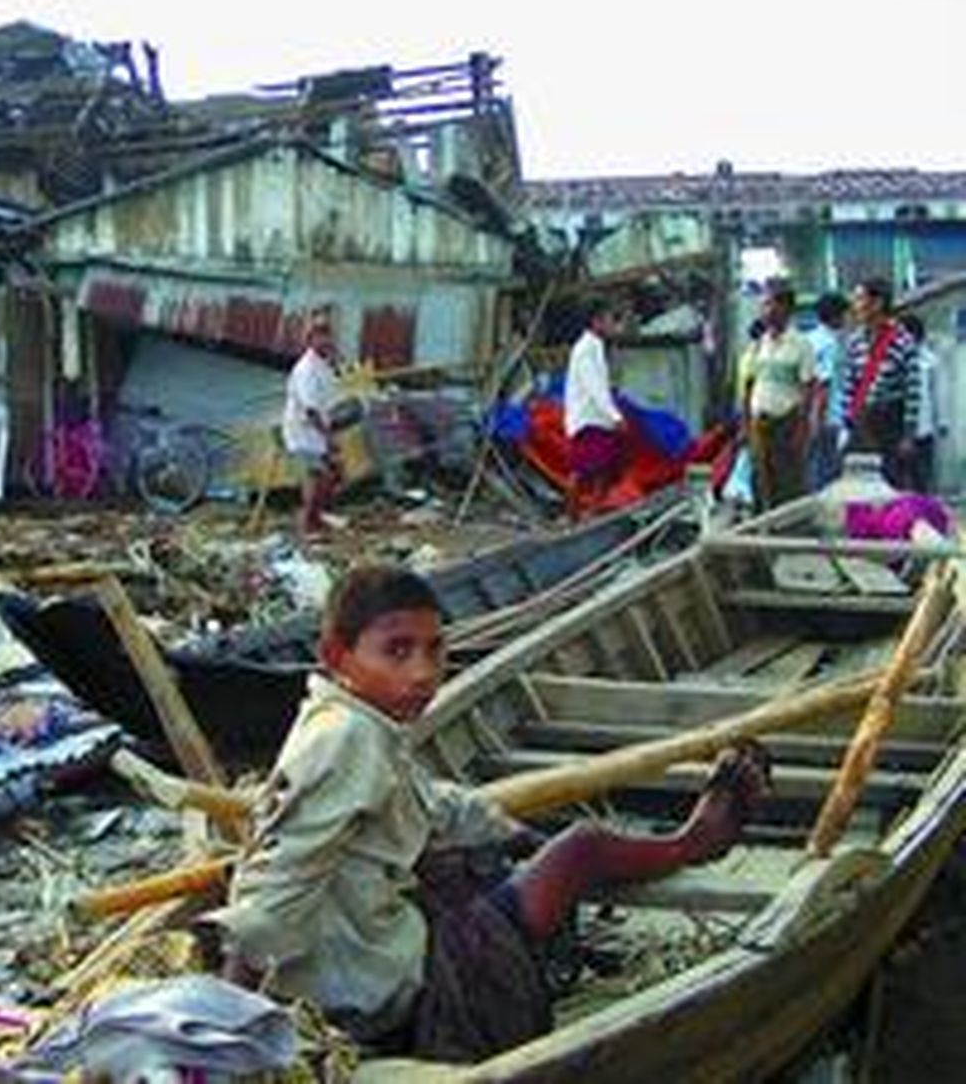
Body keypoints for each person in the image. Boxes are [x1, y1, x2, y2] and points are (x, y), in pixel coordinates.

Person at [208, 565, 769, 1062]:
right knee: (582, 848)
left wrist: (513, 834)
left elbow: (434, 805)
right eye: (397, 651)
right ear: (336, 655)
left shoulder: (345, 721)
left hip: (360, 969)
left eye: (435, 650)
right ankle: (692, 842)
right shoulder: (348, 740)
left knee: (475, 853)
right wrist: (225, 1032)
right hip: (385, 994)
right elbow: (273, 893)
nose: (424, 673)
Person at [744, 282, 817, 511]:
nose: (766, 310)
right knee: (759, 478)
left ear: (786, 308)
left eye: (771, 303)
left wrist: (802, 428)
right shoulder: (759, 344)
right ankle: (761, 531)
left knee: (787, 479)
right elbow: (750, 383)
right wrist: (746, 421)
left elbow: (808, 388)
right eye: (764, 304)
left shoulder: (801, 344)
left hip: (785, 422)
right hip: (759, 421)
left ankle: (789, 534)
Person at [842, 278, 919, 488]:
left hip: (890, 422)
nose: (855, 305)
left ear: (877, 303)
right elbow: (849, 386)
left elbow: (912, 393)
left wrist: (908, 435)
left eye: (860, 299)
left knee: (890, 484)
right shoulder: (854, 342)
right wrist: (846, 424)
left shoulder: (902, 341)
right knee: (859, 485)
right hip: (861, 423)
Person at [564, 298, 625, 519]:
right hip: (588, 419)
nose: (612, 324)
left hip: (597, 418)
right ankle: (572, 516)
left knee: (601, 470)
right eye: (609, 319)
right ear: (596, 321)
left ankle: (592, 512)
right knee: (581, 472)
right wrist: (615, 416)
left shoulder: (596, 346)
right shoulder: (585, 349)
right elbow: (595, 387)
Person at [283, 313, 342, 538]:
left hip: (317, 429)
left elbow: (330, 393)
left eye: (328, 336)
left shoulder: (323, 363)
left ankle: (315, 519)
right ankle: (306, 524)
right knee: (318, 477)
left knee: (334, 475)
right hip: (303, 431)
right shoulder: (306, 368)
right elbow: (311, 410)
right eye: (320, 336)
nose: (326, 341)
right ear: (310, 339)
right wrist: (329, 437)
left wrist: (335, 361)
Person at [805, 293, 849, 490]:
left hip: (809, 415)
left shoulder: (809, 339)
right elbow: (823, 384)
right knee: (827, 473)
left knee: (812, 468)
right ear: (836, 316)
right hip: (828, 418)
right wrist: (816, 419)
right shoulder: (830, 344)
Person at [899, 314, 941, 493]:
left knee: (922, 476)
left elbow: (938, 392)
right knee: (900, 477)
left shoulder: (930, 360)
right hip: (897, 428)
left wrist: (941, 422)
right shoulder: (894, 358)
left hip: (924, 427)